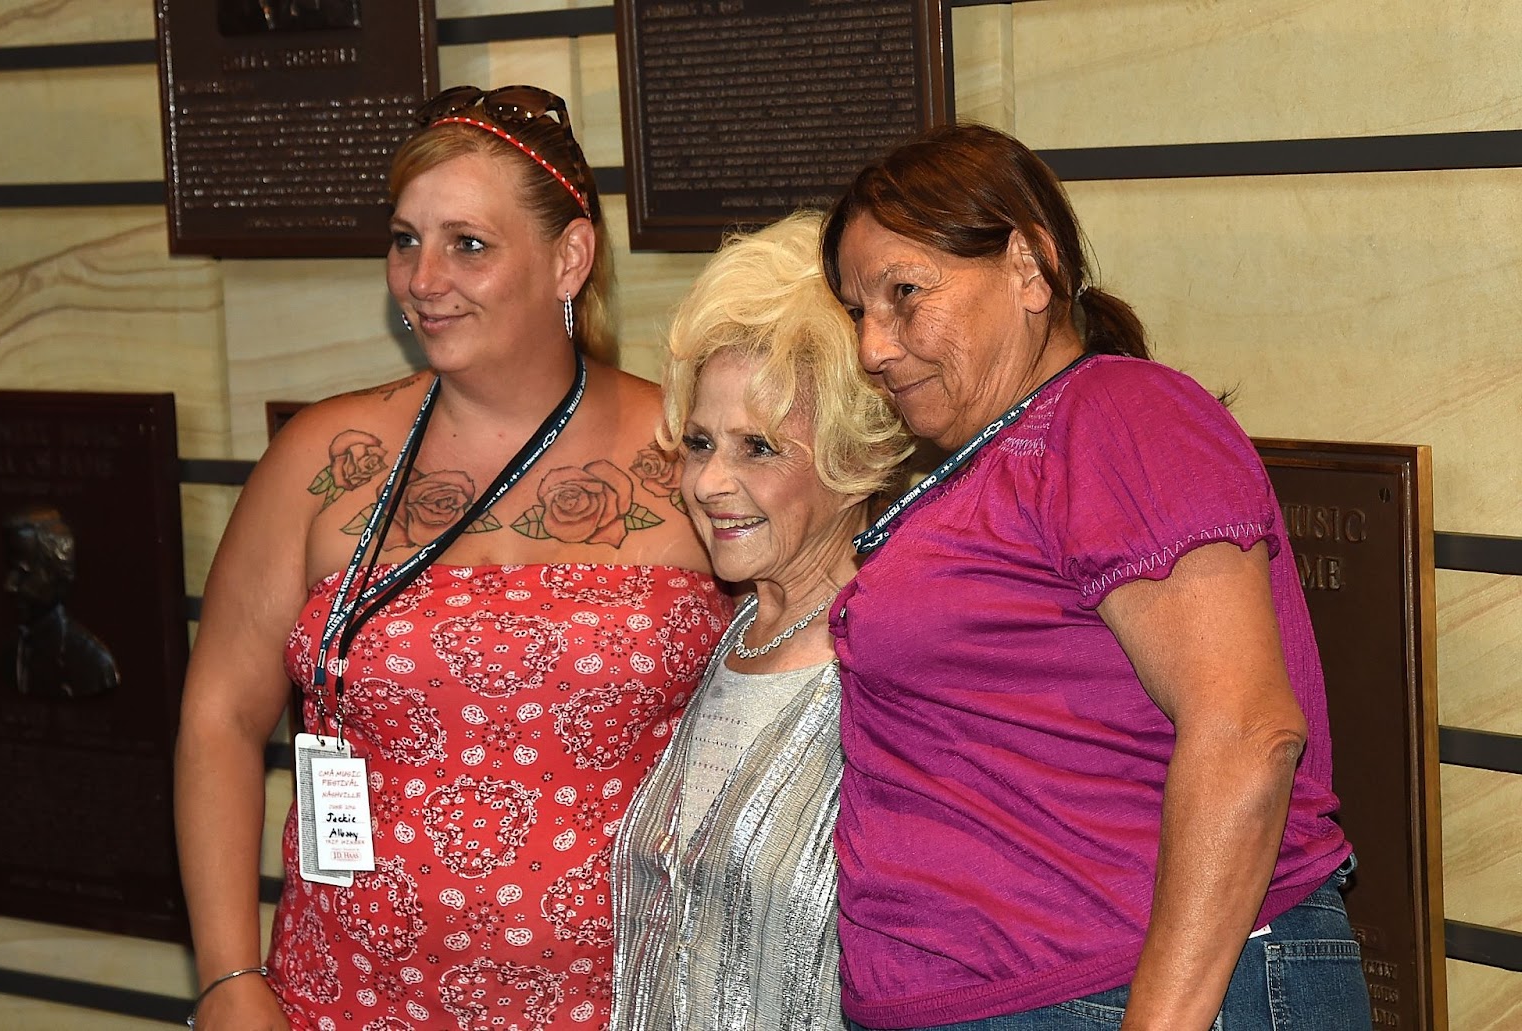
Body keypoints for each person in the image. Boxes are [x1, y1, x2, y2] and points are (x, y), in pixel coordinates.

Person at [175, 84, 727, 1031]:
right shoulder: (321, 458)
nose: (422, 278)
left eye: (466, 243)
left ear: (570, 256)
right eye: (404, 239)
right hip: (342, 1003)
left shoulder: (692, 453)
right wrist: (230, 980)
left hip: (628, 1004)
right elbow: (220, 714)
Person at [820, 123, 1372, 1031]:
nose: (875, 346)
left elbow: (1246, 731)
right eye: (857, 310)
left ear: (1030, 270)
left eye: (905, 295)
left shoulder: (1119, 413)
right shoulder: (991, 453)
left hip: (1119, 988)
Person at [609, 212, 912, 1031]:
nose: (709, 482)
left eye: (758, 448)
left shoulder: (893, 667)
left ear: (851, 458)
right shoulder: (726, 640)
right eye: (700, 442)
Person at [3, 505, 119, 699]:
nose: (9, 586)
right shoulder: (10, 653)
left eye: (23, 574)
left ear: (54, 574)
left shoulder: (93, 662)